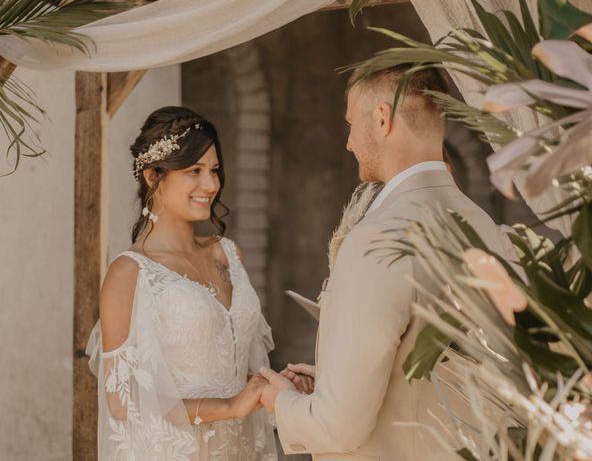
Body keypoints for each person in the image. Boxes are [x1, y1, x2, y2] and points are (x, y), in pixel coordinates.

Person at [259, 64, 506, 460]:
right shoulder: (484, 225)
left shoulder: (377, 238)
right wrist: (336, 382)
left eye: (351, 124)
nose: (349, 143)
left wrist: (282, 401)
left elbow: (337, 428)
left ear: (382, 119)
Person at [87, 106, 278, 460]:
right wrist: (228, 407)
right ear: (152, 176)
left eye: (215, 170)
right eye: (194, 171)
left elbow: (243, 361)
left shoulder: (228, 254)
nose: (210, 185)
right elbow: (121, 400)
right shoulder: (130, 273)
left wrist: (278, 386)